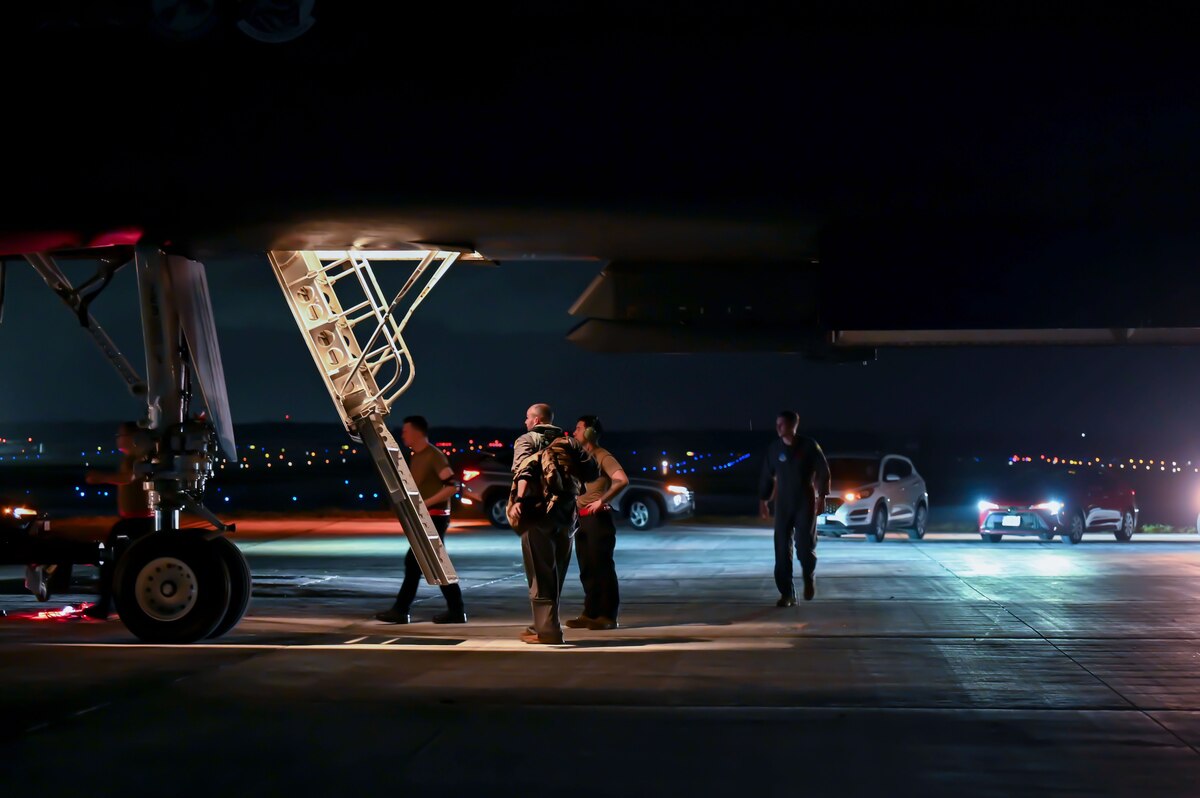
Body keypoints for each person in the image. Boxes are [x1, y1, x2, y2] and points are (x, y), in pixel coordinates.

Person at [510, 403, 598, 645]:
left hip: (538, 512)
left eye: (527, 418)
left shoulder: (527, 440)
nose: (525, 422)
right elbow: (592, 472)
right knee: (556, 571)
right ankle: (542, 623)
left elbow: (523, 471)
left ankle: (548, 631)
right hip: (567, 514)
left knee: (539, 573)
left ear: (537, 420)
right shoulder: (570, 442)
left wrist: (519, 500)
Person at [376, 416, 467, 624]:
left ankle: (401, 610)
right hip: (427, 517)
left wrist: (426, 503)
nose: (402, 435)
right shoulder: (416, 456)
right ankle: (455, 610)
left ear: (417, 432)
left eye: (406, 431)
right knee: (431, 563)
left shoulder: (434, 456)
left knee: (416, 562)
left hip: (435, 517)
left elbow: (452, 486)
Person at [83, 421, 156, 619]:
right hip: (138, 521)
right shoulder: (136, 457)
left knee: (110, 561)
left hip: (136, 522)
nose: (118, 439)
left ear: (132, 438)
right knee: (120, 563)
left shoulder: (135, 458)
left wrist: (101, 478)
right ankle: (113, 603)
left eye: (120, 435)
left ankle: (105, 606)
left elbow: (128, 477)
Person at [759, 410, 830, 606]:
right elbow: (767, 475)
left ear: (792, 425)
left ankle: (808, 575)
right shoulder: (774, 449)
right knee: (781, 548)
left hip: (804, 503)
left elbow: (823, 471)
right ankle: (787, 593)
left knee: (805, 547)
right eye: (777, 424)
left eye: (781, 424)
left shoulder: (809, 446)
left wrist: (822, 496)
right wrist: (763, 500)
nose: (778, 427)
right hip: (783, 505)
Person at [565, 415, 628, 630]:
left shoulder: (602, 456)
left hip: (597, 519)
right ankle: (590, 612)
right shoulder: (581, 458)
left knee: (602, 567)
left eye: (578, 428)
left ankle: (607, 615)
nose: (574, 432)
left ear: (590, 432)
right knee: (587, 568)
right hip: (580, 519)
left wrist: (602, 500)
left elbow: (622, 480)